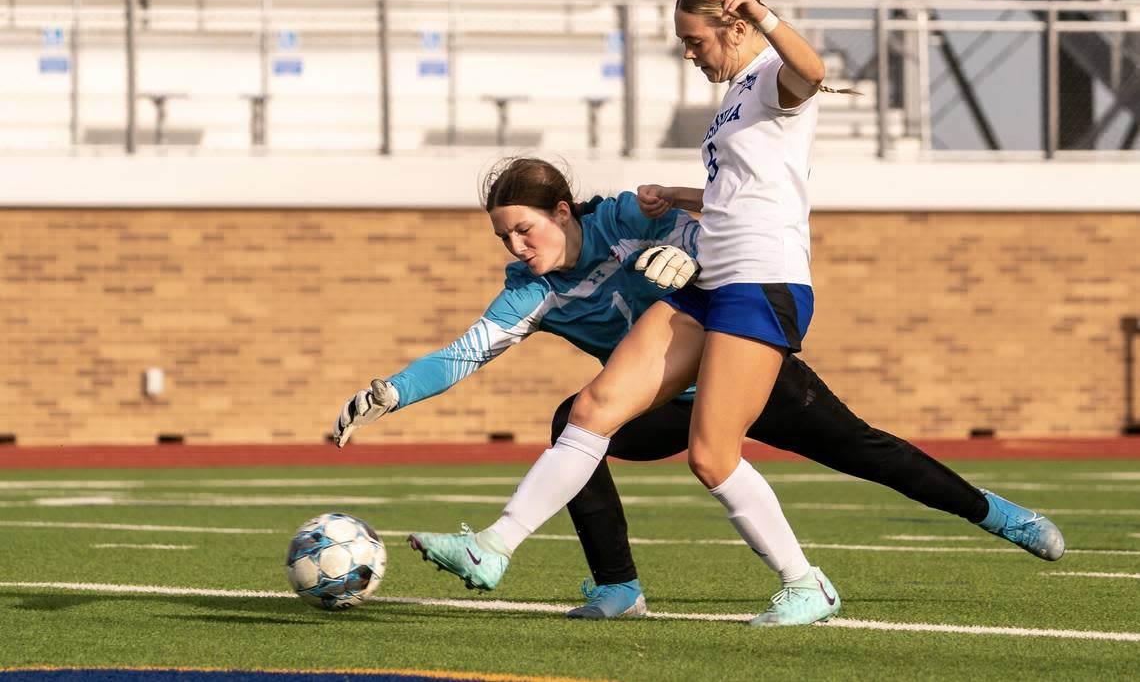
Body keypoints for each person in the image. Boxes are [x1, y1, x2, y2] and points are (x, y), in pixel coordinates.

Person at [334, 160, 1064, 622]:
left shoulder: (626, 214)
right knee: (576, 420)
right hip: (665, 408)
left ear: (562, 212)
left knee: (870, 453)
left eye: (524, 230)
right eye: (505, 239)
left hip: (741, 369)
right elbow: (465, 353)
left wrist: (688, 259)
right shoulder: (531, 291)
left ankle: (1000, 514)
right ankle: (617, 586)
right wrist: (390, 393)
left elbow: (727, 224)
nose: (518, 249)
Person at [398, 0, 845, 627]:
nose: (688, 52)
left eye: (694, 40)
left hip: (762, 281)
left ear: (735, 23)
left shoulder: (772, 80)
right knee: (594, 406)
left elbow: (811, 70)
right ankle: (490, 548)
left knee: (711, 455)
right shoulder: (732, 99)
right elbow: (750, 190)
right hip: (715, 279)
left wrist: (766, 14)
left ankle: (808, 584)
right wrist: (684, 194)